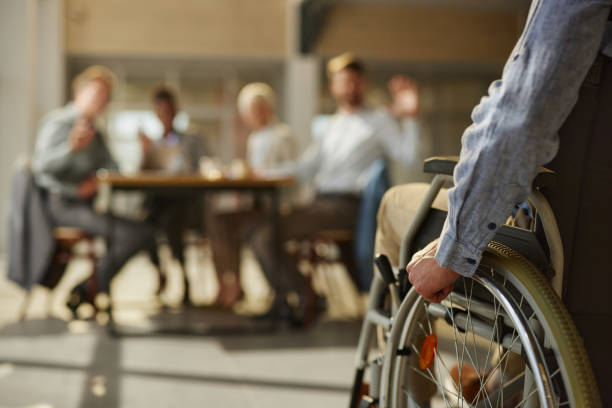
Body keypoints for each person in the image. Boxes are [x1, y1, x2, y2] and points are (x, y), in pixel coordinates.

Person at [375, 1, 611, 403]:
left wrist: (452, 245)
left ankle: (401, 385)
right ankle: (499, 385)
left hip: (567, 238)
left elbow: (522, 113)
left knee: (394, 205)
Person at [250, 53, 421, 323]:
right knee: (260, 231)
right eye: (343, 82)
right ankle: (299, 296)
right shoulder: (329, 125)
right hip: (319, 203)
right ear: (333, 86)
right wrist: (264, 173)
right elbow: (306, 167)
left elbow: (409, 156)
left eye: (355, 81)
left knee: (263, 233)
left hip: (349, 206)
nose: (350, 87)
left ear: (363, 84)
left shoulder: (379, 120)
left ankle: (303, 298)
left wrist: (411, 118)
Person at [31, 66, 155, 312]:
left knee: (143, 232)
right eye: (97, 93)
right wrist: (70, 150)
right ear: (79, 92)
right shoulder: (59, 123)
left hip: (85, 207)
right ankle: (90, 288)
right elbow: (39, 168)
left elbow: (115, 170)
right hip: (61, 206)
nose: (101, 101)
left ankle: (88, 288)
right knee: (135, 234)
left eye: (105, 97)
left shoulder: (95, 133)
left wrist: (144, 154)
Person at [207, 82, 297, 308]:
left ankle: (284, 293)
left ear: (269, 107)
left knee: (257, 233)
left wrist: (261, 174)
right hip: (256, 205)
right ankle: (233, 283)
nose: (254, 114)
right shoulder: (255, 138)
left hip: (278, 205)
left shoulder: (282, 134)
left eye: (258, 107)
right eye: (249, 110)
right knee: (217, 221)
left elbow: (294, 170)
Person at [139, 86, 207, 304]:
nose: (165, 115)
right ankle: (159, 271)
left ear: (175, 111)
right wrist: (145, 153)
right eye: (160, 111)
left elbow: (203, 166)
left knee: (171, 226)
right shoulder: (154, 143)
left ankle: (185, 278)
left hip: (185, 200)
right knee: (141, 226)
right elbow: (143, 174)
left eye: (168, 110)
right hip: (159, 200)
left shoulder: (191, 140)